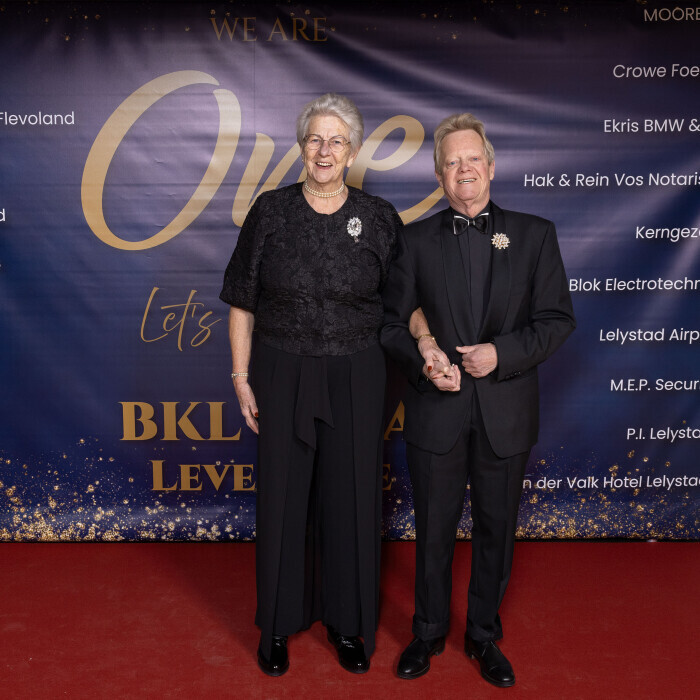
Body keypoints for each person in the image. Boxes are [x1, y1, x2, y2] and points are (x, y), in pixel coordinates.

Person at [380, 113, 575, 687]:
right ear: (439, 176)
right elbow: (390, 323)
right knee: (433, 529)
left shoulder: (536, 234)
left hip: (505, 412)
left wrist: (501, 353)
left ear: (490, 166)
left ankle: (483, 634)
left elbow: (557, 320)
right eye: (451, 162)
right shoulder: (413, 240)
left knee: (497, 528)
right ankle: (427, 630)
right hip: (435, 409)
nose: (463, 169)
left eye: (472, 159)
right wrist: (425, 358)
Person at [220, 93, 402, 677]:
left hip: (357, 370)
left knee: (351, 499)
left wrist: (426, 344)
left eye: (336, 141)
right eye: (315, 139)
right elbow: (242, 302)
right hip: (282, 367)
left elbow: (404, 304)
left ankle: (347, 624)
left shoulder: (379, 216)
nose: (325, 151)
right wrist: (241, 376)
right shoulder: (270, 212)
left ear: (352, 151)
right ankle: (276, 624)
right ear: (302, 146)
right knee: (282, 497)